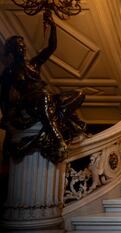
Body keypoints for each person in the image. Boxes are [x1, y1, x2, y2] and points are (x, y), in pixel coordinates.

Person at [0, 12, 86, 163]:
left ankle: (49, 126)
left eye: (23, 46)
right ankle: (58, 138)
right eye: (19, 47)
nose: (23, 48)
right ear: (13, 50)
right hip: (30, 100)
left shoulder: (34, 64)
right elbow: (3, 96)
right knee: (45, 98)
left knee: (79, 94)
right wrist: (7, 115)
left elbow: (51, 47)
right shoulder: (10, 71)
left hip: (44, 96)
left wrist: (53, 26)